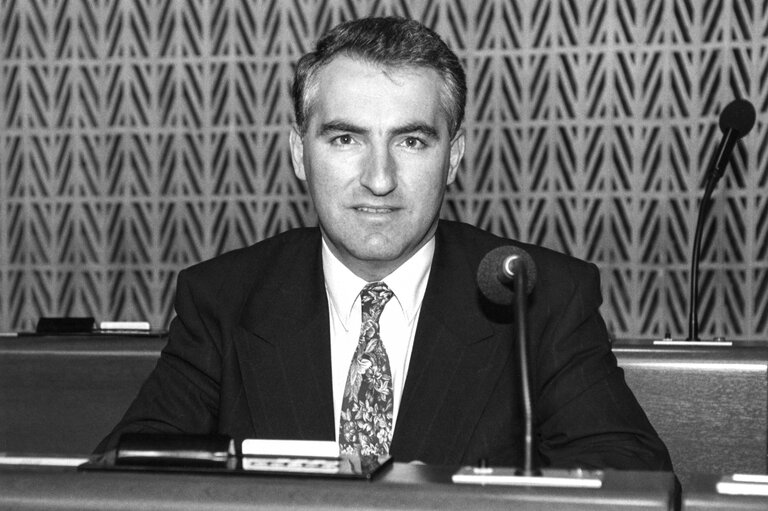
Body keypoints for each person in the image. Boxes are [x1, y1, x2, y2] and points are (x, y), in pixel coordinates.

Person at [95, 16, 672, 471]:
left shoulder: (538, 297)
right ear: (300, 152)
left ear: (455, 157)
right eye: (345, 138)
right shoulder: (223, 297)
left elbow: (629, 477)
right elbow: (125, 473)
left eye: (412, 141)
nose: (378, 178)